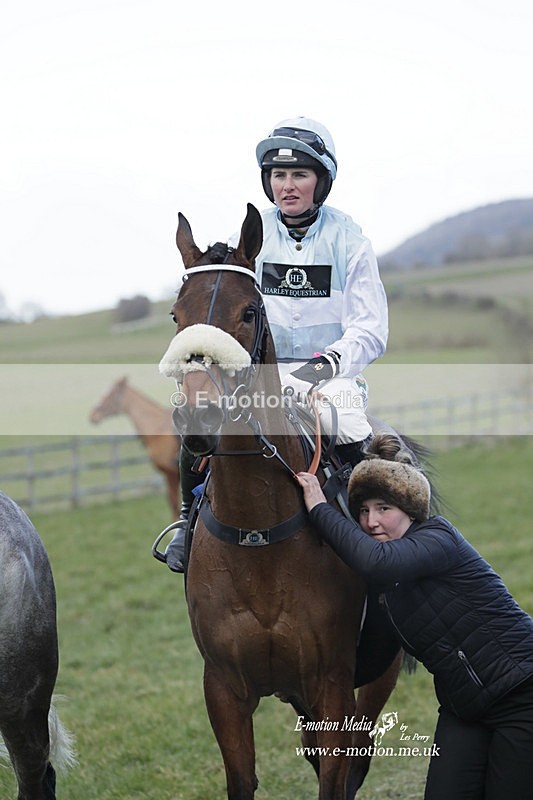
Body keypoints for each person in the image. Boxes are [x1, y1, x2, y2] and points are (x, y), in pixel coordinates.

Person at [162, 116, 389, 573]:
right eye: (278, 176)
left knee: (354, 439)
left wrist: (314, 374)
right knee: (197, 424)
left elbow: (369, 331)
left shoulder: (352, 243)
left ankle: (380, 545)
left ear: (321, 181)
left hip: (329, 380)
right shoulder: (249, 238)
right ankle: (189, 522)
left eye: (299, 175)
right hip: (254, 375)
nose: (288, 186)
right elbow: (218, 299)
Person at [295, 432, 533, 800]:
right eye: (362, 511)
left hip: (521, 692)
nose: (371, 521)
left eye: (383, 508)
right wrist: (297, 678)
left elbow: (376, 562)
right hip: (462, 708)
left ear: (410, 510)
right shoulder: (383, 592)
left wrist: (318, 507)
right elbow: (368, 662)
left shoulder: (438, 538)